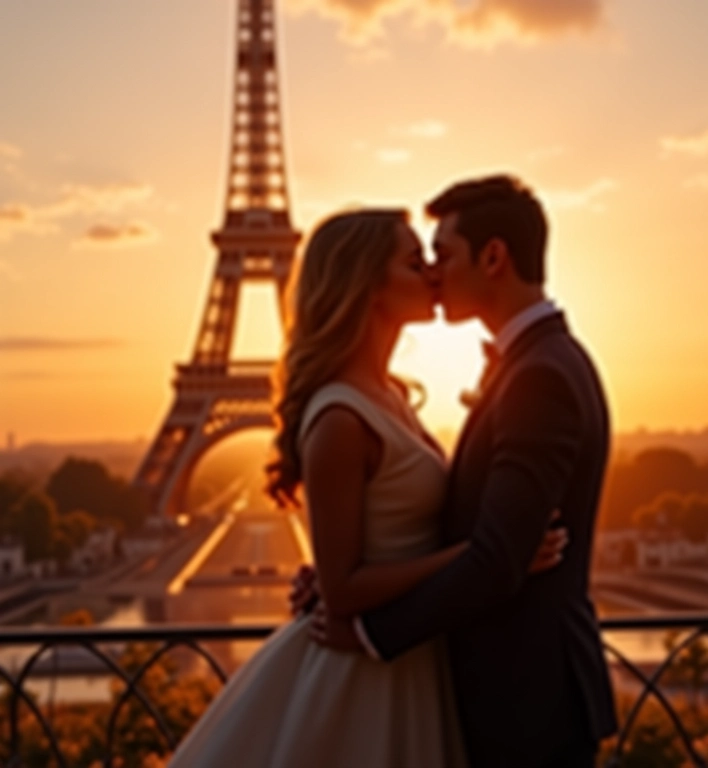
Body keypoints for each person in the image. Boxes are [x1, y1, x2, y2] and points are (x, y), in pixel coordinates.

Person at [167, 207, 566, 768]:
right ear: (367, 287)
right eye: (412, 262)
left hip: (406, 655)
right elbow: (344, 589)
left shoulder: (390, 396)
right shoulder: (340, 419)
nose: (431, 270)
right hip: (364, 673)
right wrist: (481, 557)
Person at [308, 176, 618, 767]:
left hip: (524, 700)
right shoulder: (537, 364)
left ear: (494, 257)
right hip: (519, 696)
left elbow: (498, 559)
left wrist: (369, 631)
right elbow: (485, 540)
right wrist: (345, 567)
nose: (433, 272)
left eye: (443, 255)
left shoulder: (538, 377)